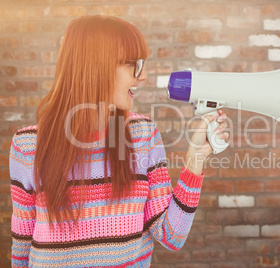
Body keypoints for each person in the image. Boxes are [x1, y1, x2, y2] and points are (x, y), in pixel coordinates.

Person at [9, 15, 229, 268]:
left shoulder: (142, 134)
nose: (143, 75)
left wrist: (195, 160)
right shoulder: (27, 145)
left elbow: (172, 236)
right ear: (95, 66)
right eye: (132, 65)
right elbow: (22, 242)